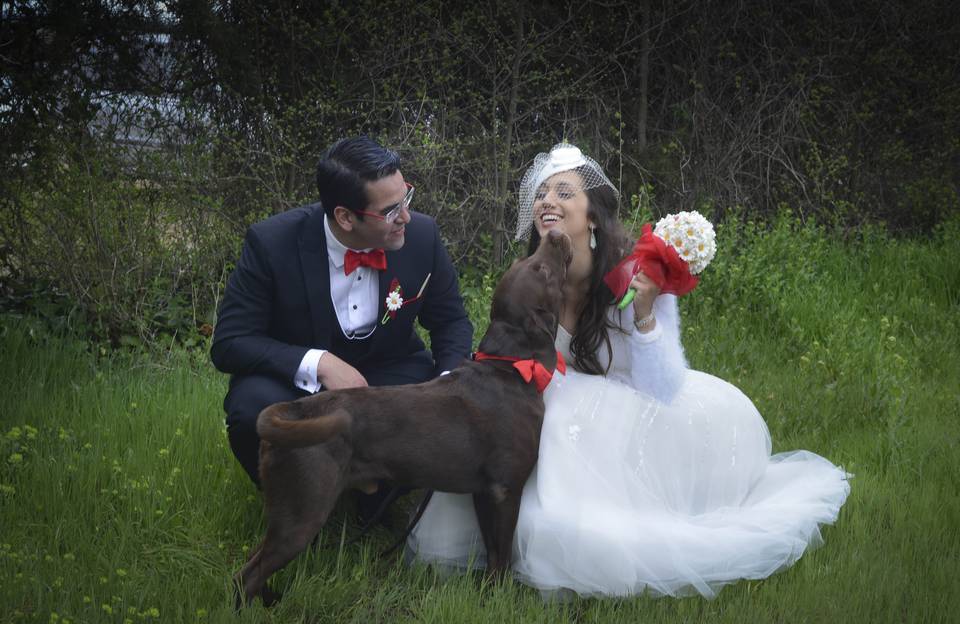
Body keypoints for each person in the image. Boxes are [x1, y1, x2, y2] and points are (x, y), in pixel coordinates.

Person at [406, 143, 850, 599]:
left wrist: (645, 315)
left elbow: (662, 385)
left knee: (559, 422)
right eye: (541, 194)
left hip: (629, 407)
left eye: (564, 192)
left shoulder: (633, 276)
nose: (547, 201)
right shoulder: (533, 274)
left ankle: (567, 546)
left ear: (592, 216)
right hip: (547, 395)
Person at [211, 136, 474, 510]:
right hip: (298, 385)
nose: (406, 217)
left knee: (382, 498)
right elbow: (230, 342)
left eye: (407, 198)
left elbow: (451, 322)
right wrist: (318, 363)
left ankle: (372, 500)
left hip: (389, 371)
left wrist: (448, 387)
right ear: (345, 217)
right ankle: (296, 504)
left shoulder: (422, 236)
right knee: (251, 408)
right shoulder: (271, 243)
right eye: (390, 210)